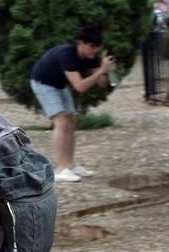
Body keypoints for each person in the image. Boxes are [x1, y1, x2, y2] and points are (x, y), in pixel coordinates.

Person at [28, 26, 116, 183]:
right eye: (91, 46)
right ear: (81, 43)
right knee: (61, 121)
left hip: (60, 85)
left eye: (97, 47)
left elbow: (102, 84)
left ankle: (70, 165)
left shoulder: (92, 57)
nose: (94, 50)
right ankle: (61, 169)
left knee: (72, 121)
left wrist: (107, 71)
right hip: (43, 82)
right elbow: (80, 87)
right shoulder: (67, 55)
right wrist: (100, 70)